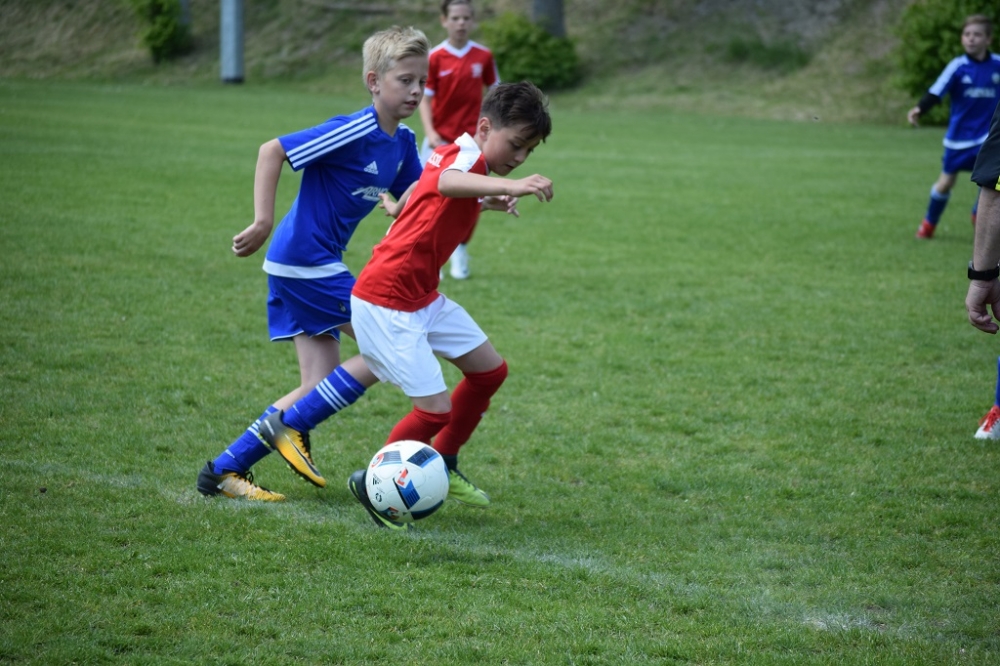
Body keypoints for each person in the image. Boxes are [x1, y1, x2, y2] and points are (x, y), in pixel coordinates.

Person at [274, 81, 553, 529]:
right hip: (389, 299)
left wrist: (480, 201)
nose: (520, 158)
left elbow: (428, 191)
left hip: (420, 296)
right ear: (485, 128)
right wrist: (512, 185)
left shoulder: (461, 156)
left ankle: (445, 459)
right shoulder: (461, 159)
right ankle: (375, 487)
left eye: (529, 152)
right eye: (516, 145)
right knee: (434, 410)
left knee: (489, 372)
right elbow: (444, 181)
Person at [196, 26, 430, 501]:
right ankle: (290, 429)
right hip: (306, 262)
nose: (416, 91)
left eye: (422, 81)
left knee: (318, 383)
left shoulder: (403, 142)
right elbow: (273, 150)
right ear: (373, 81)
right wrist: (262, 221)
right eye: (405, 80)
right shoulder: (355, 129)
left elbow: (424, 195)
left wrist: (486, 196)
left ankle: (223, 470)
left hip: (307, 265)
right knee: (389, 346)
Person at [419, 0, 500, 279]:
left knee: (473, 199)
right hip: (441, 141)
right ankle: (431, 256)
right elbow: (425, 100)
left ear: (472, 20)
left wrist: (492, 133)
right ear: (444, 20)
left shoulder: (483, 56)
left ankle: (460, 249)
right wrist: (431, 132)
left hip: (473, 143)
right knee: (430, 197)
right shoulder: (435, 57)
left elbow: (496, 94)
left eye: (466, 18)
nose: (461, 23)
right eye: (455, 18)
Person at [908, 14, 1000, 239]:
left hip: (987, 138)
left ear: (988, 39)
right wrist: (920, 108)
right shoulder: (958, 67)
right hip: (958, 139)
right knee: (945, 183)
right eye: (967, 34)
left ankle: (979, 215)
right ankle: (928, 224)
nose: (971, 39)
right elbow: (936, 91)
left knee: (989, 183)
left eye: (977, 34)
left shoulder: (998, 64)